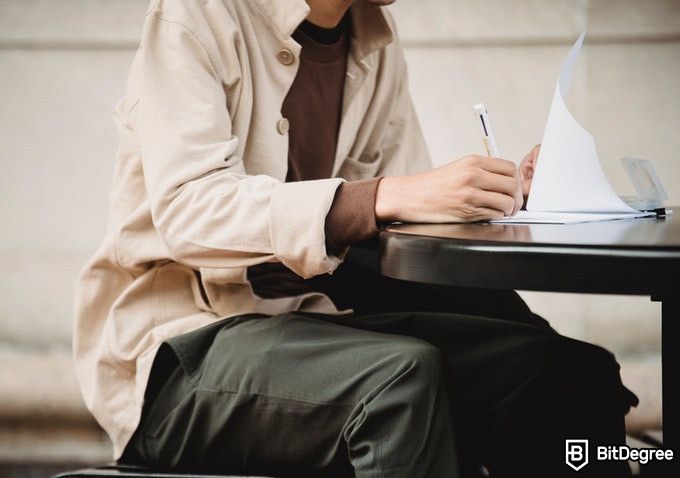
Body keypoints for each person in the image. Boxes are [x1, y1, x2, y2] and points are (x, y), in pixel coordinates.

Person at [73, 0, 637, 476]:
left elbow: (405, 221)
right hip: (179, 354)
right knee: (402, 381)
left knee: (562, 372)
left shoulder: (374, 42)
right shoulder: (197, 14)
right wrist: (384, 196)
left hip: (323, 326)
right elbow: (188, 209)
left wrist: (506, 200)